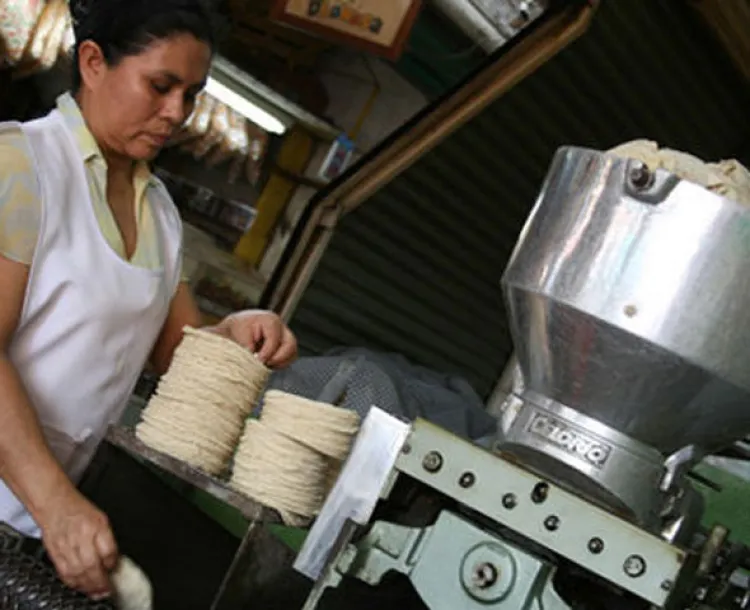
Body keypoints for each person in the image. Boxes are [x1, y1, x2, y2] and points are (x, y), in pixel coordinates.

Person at [0, 0, 298, 600]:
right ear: (92, 62)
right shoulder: (24, 164)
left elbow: (175, 353)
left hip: (34, 527)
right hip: (41, 509)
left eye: (191, 95)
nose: (176, 113)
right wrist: (58, 506)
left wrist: (239, 329)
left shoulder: (159, 212)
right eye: (161, 86)